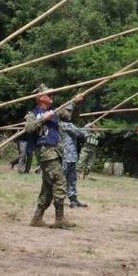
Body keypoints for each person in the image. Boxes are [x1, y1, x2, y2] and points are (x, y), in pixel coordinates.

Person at [24, 85, 81, 228]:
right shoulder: (33, 113)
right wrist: (43, 118)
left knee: (48, 187)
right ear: (40, 98)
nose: (52, 96)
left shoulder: (55, 111)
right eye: (49, 95)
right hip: (45, 152)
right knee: (60, 181)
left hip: (56, 152)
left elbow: (71, 116)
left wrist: (76, 102)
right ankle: (60, 218)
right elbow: (29, 128)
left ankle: (37, 219)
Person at [58, 106, 90, 209]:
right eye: (68, 111)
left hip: (72, 156)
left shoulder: (68, 124)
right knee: (62, 179)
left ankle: (73, 200)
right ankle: (58, 199)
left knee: (72, 179)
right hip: (65, 156)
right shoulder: (64, 125)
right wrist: (88, 126)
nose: (70, 113)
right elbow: (80, 133)